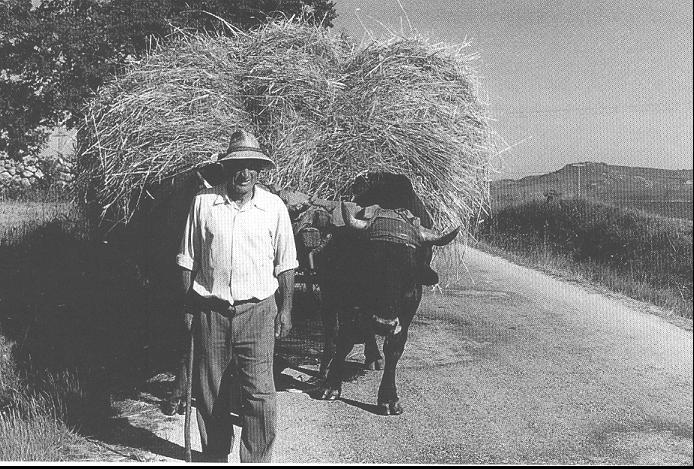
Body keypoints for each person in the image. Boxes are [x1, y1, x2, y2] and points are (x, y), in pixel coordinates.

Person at [176, 129, 298, 463]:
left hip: (258, 312)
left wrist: (285, 310)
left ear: (259, 171)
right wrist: (188, 307)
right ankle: (215, 455)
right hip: (211, 311)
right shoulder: (204, 204)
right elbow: (188, 260)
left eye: (251, 166)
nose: (244, 173)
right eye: (237, 165)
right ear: (227, 168)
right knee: (210, 391)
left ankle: (256, 459)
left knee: (259, 394)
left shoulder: (273, 208)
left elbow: (286, 265)